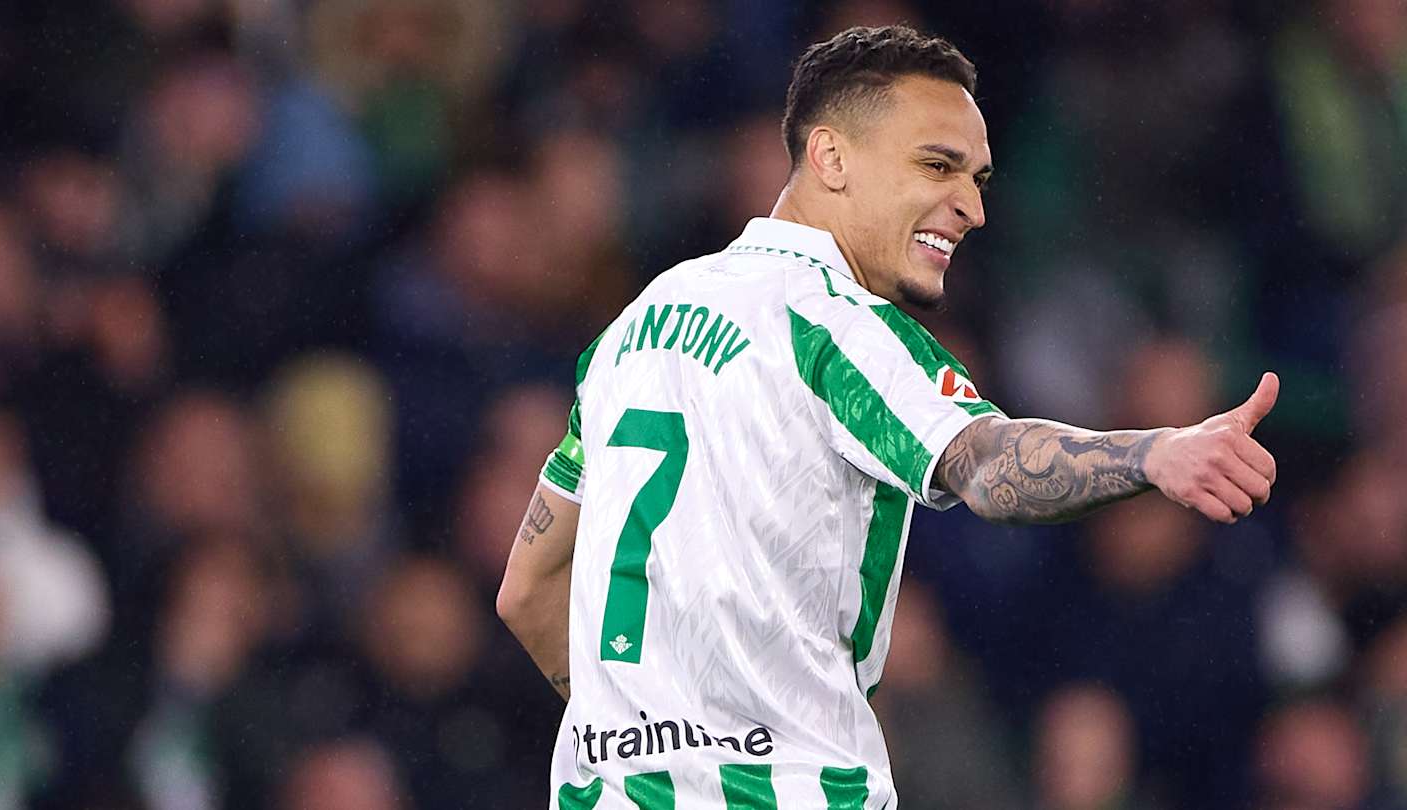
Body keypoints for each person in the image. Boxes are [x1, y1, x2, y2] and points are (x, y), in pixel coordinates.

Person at [497, 24, 1279, 809]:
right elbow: (985, 464)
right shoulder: (836, 326)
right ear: (831, 158)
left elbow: (527, 589)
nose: (972, 206)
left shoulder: (631, 331)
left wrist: (652, 737)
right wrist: (1152, 455)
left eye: (978, 178)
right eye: (937, 165)